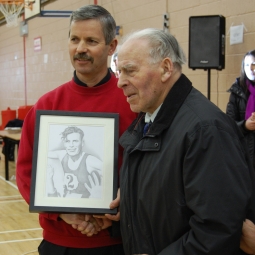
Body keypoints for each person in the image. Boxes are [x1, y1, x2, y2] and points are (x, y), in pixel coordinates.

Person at [116, 28, 255, 255]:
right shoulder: (148, 120)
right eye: (119, 72)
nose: (120, 82)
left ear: (165, 68)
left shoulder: (205, 130)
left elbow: (216, 232)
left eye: (129, 70)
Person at [16, 4, 136, 255]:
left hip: (119, 242)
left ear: (112, 47)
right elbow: (27, 173)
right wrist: (62, 212)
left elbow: (153, 171)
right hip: (58, 243)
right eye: (74, 39)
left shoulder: (133, 102)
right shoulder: (46, 106)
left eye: (91, 40)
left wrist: (127, 202)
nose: (80, 48)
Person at [47, 126, 102, 198]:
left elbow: (111, 169)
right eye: (68, 141)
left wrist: (101, 192)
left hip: (84, 205)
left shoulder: (89, 160)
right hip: (66, 202)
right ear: (64, 143)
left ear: (82, 143)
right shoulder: (63, 155)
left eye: (75, 141)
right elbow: (42, 152)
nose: (71, 145)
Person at [226, 50, 255, 169]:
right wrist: (245, 126)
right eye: (247, 65)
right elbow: (228, 124)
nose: (251, 69)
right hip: (244, 151)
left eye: (254, 64)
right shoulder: (237, 91)